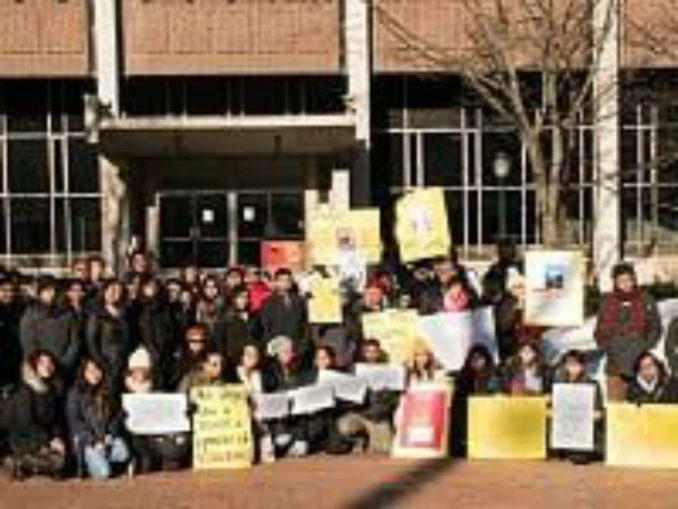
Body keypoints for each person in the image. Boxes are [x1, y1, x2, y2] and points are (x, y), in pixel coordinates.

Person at [595, 263, 662, 401]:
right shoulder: (607, 301)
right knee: (616, 410)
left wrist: (644, 345)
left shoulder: (646, 299)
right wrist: (608, 346)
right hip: (614, 365)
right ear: (615, 282)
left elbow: (655, 326)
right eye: (621, 280)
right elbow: (599, 330)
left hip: (639, 363)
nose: (625, 284)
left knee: (640, 408)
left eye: (628, 279)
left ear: (634, 280)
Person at [123, 348, 190, 473]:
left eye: (144, 370)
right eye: (137, 370)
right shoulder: (123, 391)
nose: (140, 373)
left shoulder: (157, 388)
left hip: (156, 434)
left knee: (173, 456)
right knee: (146, 462)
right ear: (131, 371)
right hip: (134, 436)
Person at [5, 350, 66, 480]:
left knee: (64, 460)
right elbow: (25, 423)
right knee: (58, 463)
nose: (47, 366)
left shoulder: (51, 389)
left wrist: (57, 437)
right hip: (24, 440)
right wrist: (48, 441)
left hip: (44, 439)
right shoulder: (25, 390)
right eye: (42, 363)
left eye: (50, 362)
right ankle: (17, 462)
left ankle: (25, 466)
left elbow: (56, 420)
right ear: (34, 366)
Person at [66, 358, 130, 479]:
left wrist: (109, 435)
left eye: (97, 370)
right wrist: (94, 441)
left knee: (124, 453)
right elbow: (75, 421)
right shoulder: (75, 393)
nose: (94, 374)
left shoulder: (108, 391)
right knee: (104, 473)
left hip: (106, 438)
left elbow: (116, 416)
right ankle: (89, 463)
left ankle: (100, 460)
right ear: (84, 373)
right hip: (86, 442)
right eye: (90, 371)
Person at [336, 339, 401, 454]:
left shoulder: (389, 371)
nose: (371, 354)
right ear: (363, 353)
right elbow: (347, 397)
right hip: (360, 414)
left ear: (378, 353)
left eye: (374, 351)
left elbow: (394, 400)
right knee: (343, 427)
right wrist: (359, 394)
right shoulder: (355, 371)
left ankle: (370, 439)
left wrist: (384, 397)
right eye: (368, 351)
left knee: (384, 450)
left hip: (378, 418)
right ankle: (359, 440)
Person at [263, 337, 314, 458]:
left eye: (291, 351)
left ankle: (299, 438)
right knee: (282, 441)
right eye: (285, 351)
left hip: (298, 416)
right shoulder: (269, 373)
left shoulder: (300, 369)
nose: (289, 354)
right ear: (277, 354)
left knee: (301, 447)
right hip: (278, 418)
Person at [20, 276, 80, 378]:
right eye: (47, 290)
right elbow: (29, 344)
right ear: (40, 293)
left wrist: (67, 361)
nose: (52, 294)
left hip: (64, 366)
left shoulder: (67, 313)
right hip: (40, 369)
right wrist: (41, 364)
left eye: (54, 290)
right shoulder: (30, 315)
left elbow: (75, 340)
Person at [550, 350, 604, 464]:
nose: (573, 368)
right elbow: (552, 408)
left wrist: (595, 414)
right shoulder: (559, 386)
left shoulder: (593, 384)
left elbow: (599, 412)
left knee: (580, 458)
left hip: (586, 433)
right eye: (569, 364)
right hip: (564, 432)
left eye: (576, 364)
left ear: (583, 366)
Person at [450, 345, 500, 456]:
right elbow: (458, 398)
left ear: (486, 360)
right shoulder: (463, 375)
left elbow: (495, 393)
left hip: (487, 414)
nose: (477, 361)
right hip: (466, 414)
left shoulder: (492, 375)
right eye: (474, 358)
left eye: (480, 358)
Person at [86, 280, 132, 396]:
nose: (113, 294)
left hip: (122, 362)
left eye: (117, 291)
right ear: (104, 292)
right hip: (105, 361)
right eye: (110, 290)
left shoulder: (125, 313)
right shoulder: (97, 314)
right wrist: (101, 362)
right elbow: (91, 341)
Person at [259, 269, 310, 361]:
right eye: (282, 280)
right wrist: (273, 348)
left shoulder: (300, 301)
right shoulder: (267, 302)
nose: (285, 283)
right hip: (276, 349)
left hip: (297, 349)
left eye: (288, 280)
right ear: (276, 282)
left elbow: (305, 325)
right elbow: (265, 328)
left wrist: (302, 347)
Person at [137, 278, 175, 389]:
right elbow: (143, 331)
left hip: (166, 350)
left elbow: (170, 328)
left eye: (154, 286)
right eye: (148, 287)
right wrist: (152, 350)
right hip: (149, 351)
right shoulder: (140, 306)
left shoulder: (165, 307)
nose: (151, 289)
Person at [212, 284, 257, 366]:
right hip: (232, 360)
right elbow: (219, 342)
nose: (244, 300)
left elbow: (257, 336)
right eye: (240, 297)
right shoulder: (225, 318)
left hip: (250, 359)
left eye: (246, 297)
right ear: (234, 299)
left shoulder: (253, 316)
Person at [170, 325, 209, 390]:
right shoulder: (180, 358)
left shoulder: (208, 356)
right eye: (194, 341)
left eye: (202, 341)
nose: (198, 344)